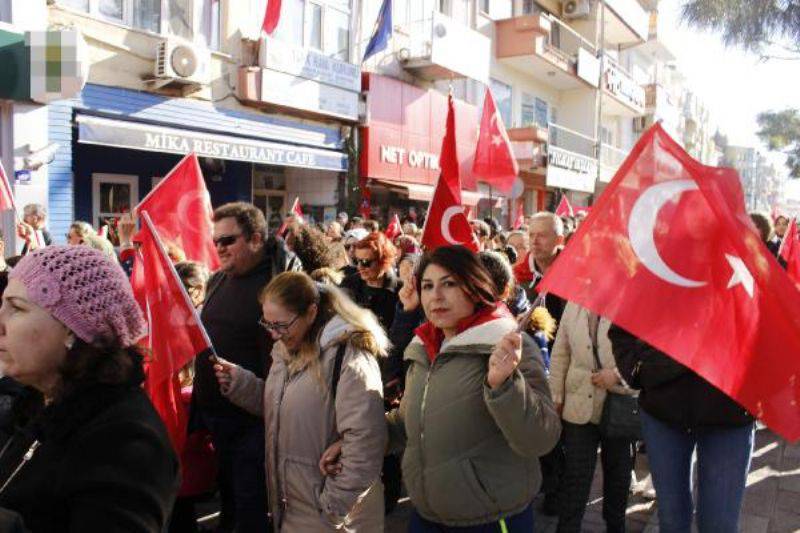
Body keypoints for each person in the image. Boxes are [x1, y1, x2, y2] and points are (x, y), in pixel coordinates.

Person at [0, 245, 178, 531]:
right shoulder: (36, 402)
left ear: (74, 329)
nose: (0, 322)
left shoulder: (126, 440)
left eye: (17, 308)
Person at [386, 245, 561, 531]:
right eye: (427, 286)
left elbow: (540, 439)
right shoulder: (423, 347)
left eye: (449, 284)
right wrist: (353, 439)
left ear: (474, 287)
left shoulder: (510, 344)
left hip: (492, 519)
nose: (436, 296)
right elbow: (408, 421)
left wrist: (504, 386)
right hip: (426, 515)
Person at [214, 272, 387, 532]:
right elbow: (286, 409)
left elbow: (366, 440)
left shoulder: (349, 356)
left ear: (311, 312)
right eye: (268, 324)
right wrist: (242, 384)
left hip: (335, 517)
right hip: (295, 507)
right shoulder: (285, 352)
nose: (274, 334)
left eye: (281, 325)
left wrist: (333, 506)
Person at [193, 202, 300, 532]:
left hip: (254, 423)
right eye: (216, 242)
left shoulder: (278, 285)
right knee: (230, 506)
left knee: (250, 512)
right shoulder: (218, 280)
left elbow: (291, 359)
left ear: (255, 239)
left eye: (228, 240)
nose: (220, 248)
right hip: (219, 420)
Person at [609, 325, 754, 533]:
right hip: (663, 412)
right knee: (671, 521)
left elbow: (774, 336)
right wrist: (643, 371)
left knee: (720, 526)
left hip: (730, 416)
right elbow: (622, 330)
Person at [549, 303, 636, 532]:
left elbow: (642, 352)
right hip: (578, 406)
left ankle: (616, 528)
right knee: (575, 478)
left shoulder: (630, 300)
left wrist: (616, 375)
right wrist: (556, 397)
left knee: (618, 477)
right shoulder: (575, 301)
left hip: (618, 406)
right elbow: (561, 350)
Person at [513, 211, 567, 326]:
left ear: (559, 240)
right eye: (531, 235)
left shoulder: (575, 275)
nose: (534, 241)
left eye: (542, 235)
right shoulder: (516, 276)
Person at [340, 232, 400, 334]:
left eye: (365, 262)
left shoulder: (400, 292)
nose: (359, 267)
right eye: (357, 261)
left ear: (383, 261)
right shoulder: (349, 284)